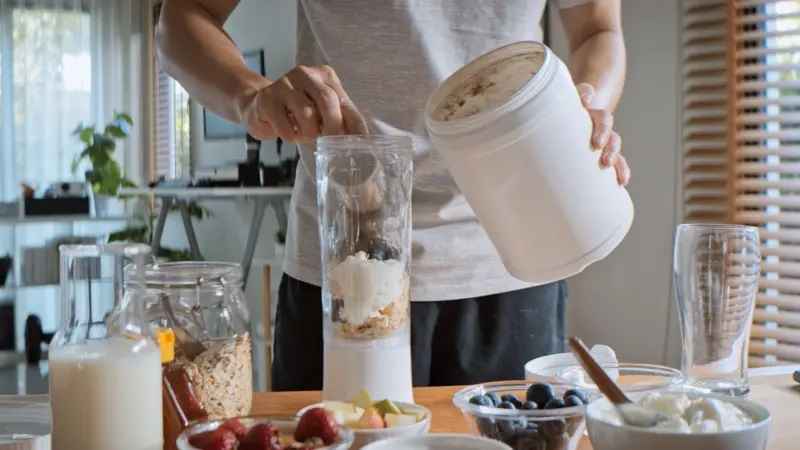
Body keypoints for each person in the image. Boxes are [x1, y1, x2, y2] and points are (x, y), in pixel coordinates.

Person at [156, 0, 629, 390]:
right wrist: (250, 97)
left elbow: (597, 30)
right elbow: (181, 17)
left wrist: (584, 106)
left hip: (513, 257)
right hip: (341, 266)